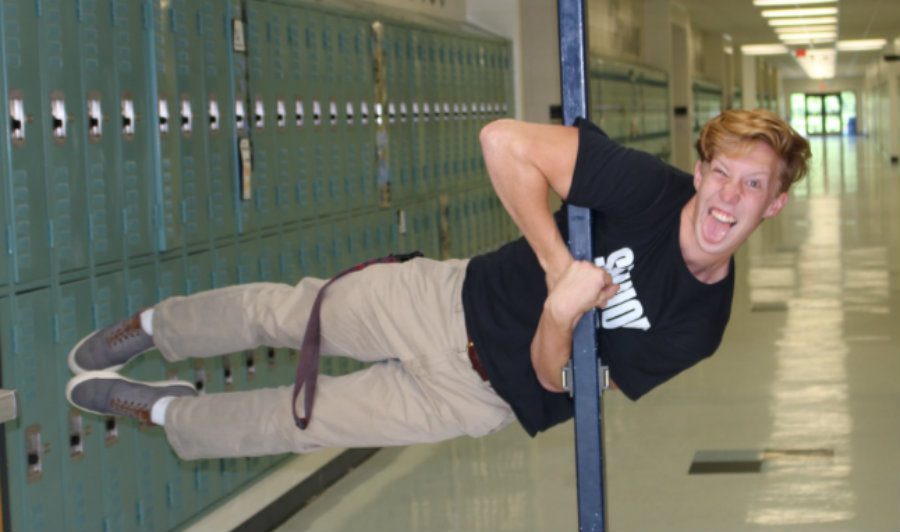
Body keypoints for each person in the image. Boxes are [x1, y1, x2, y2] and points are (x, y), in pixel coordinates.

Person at [66, 108, 811, 459]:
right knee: (286, 313)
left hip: (478, 395)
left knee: (301, 425)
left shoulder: (699, 325)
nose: (726, 197)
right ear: (700, 170)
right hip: (440, 301)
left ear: (774, 204)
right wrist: (557, 263)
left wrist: (559, 318)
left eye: (752, 185)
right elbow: (502, 142)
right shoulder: (648, 190)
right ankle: (159, 327)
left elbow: (561, 385)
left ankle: (164, 415)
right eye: (721, 172)